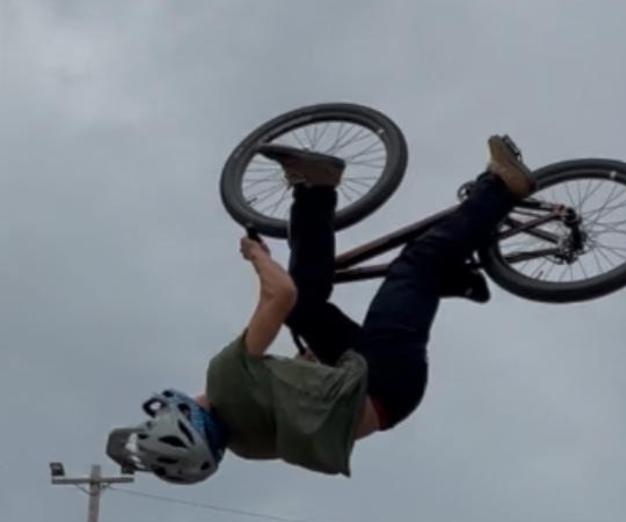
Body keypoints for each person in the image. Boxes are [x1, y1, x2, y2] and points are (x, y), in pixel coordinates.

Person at [108, 136, 534, 484]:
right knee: (416, 262)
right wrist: (257, 256)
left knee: (308, 310)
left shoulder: (248, 446)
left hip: (375, 390)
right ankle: (501, 186)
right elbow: (280, 295)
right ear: (186, 416)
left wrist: (305, 365)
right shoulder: (224, 378)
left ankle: (316, 187)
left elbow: (304, 406)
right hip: (382, 375)